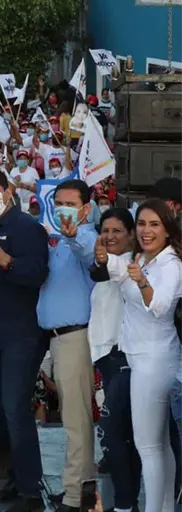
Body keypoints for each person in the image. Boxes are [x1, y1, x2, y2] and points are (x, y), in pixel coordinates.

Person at [96, 199, 182, 512]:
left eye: (154, 224)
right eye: (142, 223)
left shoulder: (171, 265)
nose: (147, 230)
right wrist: (104, 257)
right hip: (140, 356)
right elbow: (117, 270)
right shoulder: (143, 258)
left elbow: (160, 307)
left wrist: (143, 282)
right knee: (159, 445)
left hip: (154, 360)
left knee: (148, 446)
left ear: (167, 230)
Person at [0, 168, 50, 512]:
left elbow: (37, 274)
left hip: (20, 336)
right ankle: (16, 481)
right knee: (2, 412)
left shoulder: (26, 227)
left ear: (7, 191)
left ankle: (31, 492)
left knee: (17, 411)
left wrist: (6, 262)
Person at [37, 179, 98, 512]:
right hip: (59, 339)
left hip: (75, 337)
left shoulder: (85, 238)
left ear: (85, 209)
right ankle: (82, 487)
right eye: (58, 202)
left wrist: (73, 235)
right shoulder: (58, 241)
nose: (62, 209)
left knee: (75, 420)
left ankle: (75, 496)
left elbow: (88, 253)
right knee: (75, 418)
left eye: (70, 204)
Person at [88, 208, 142, 512]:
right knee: (124, 435)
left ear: (131, 235)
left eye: (117, 231)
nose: (109, 236)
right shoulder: (107, 266)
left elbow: (112, 268)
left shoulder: (132, 265)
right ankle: (128, 503)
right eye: (105, 230)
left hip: (124, 357)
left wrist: (103, 259)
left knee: (111, 431)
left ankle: (123, 504)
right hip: (107, 358)